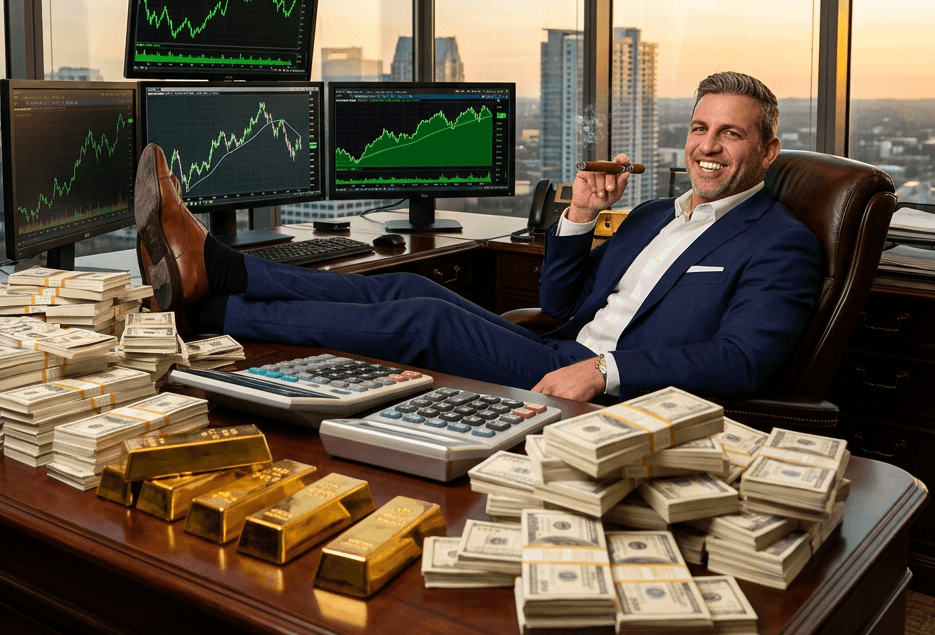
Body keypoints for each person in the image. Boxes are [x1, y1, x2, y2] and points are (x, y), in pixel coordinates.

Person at [134, 71, 821, 403]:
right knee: (405, 281)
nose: (708, 146)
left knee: (424, 318)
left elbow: (741, 362)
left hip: (609, 391)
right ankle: (217, 278)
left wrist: (605, 370)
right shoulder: (651, 217)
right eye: (700, 128)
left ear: (767, 151)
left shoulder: (778, 243)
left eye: (731, 133)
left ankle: (203, 299)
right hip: (559, 346)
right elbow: (560, 297)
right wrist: (578, 214)